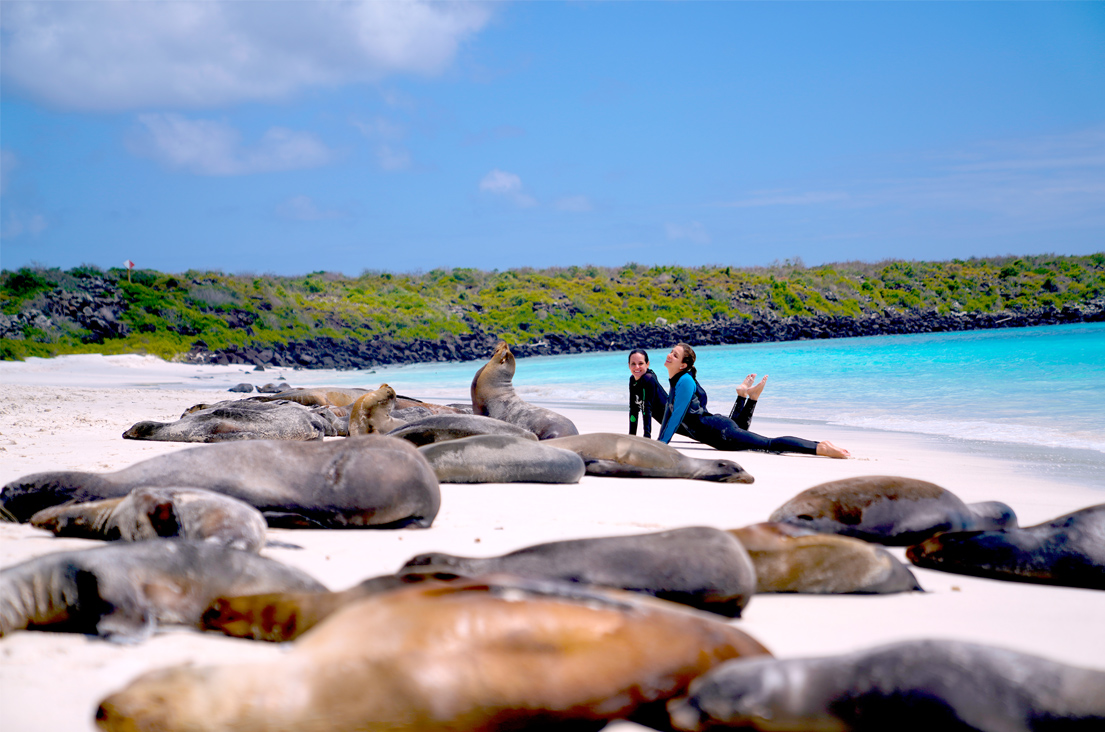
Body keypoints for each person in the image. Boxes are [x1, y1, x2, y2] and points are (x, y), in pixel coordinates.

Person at [656, 342, 850, 458]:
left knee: (768, 445)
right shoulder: (676, 382)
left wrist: (661, 447)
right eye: (671, 352)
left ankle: (819, 447)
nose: (669, 355)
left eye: (675, 354)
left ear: (683, 364)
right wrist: (659, 442)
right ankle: (748, 397)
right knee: (763, 443)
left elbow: (677, 417)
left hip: (721, 432)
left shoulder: (686, 381)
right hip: (717, 431)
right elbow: (668, 414)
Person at [627, 349, 669, 438]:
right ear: (629, 365)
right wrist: (631, 436)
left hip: (673, 419)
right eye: (633, 364)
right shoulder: (632, 380)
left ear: (647, 364)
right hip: (662, 419)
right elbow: (633, 408)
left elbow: (647, 408)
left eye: (641, 363)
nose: (637, 367)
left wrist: (647, 436)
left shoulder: (649, 379)